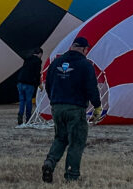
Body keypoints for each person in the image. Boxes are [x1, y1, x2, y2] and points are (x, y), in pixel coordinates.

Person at [41, 35, 101, 183]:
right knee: (76, 142)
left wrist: (55, 100)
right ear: (84, 49)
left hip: (57, 107)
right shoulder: (85, 65)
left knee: (60, 138)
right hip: (75, 108)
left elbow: (48, 84)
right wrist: (97, 106)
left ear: (72, 46)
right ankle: (71, 176)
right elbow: (91, 88)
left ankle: (50, 162)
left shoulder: (56, 62)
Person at [16, 47, 43, 126]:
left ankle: (20, 116)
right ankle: (28, 119)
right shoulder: (38, 61)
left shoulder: (27, 58)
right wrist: (39, 84)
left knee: (22, 100)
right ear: (40, 54)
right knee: (28, 101)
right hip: (29, 83)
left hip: (20, 82)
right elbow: (37, 73)